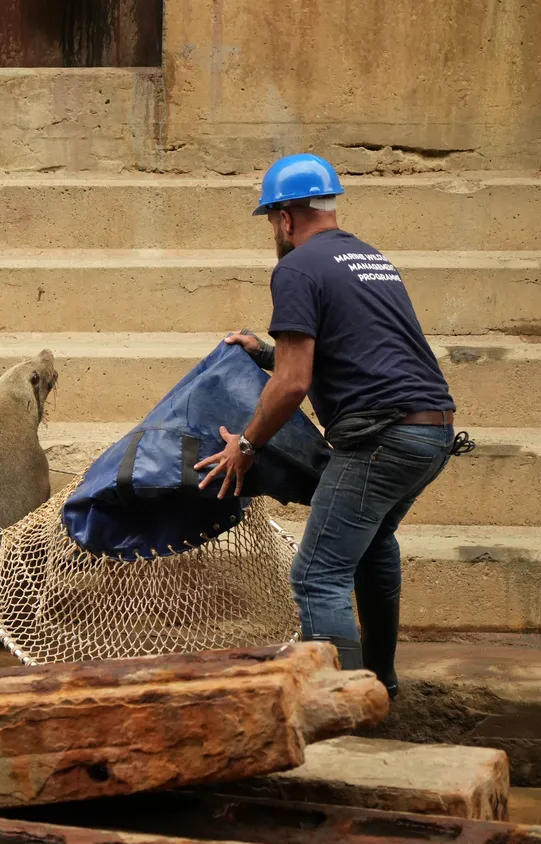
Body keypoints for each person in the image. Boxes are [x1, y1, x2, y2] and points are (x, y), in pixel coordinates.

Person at [193, 153, 471, 699]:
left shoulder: (295, 267)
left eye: (273, 220)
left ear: (286, 216)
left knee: (317, 575)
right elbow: (355, 349)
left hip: (381, 441)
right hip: (433, 430)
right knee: (373, 546)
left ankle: (345, 719)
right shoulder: (368, 257)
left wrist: (246, 445)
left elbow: (295, 384)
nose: (275, 231)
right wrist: (266, 352)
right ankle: (379, 687)